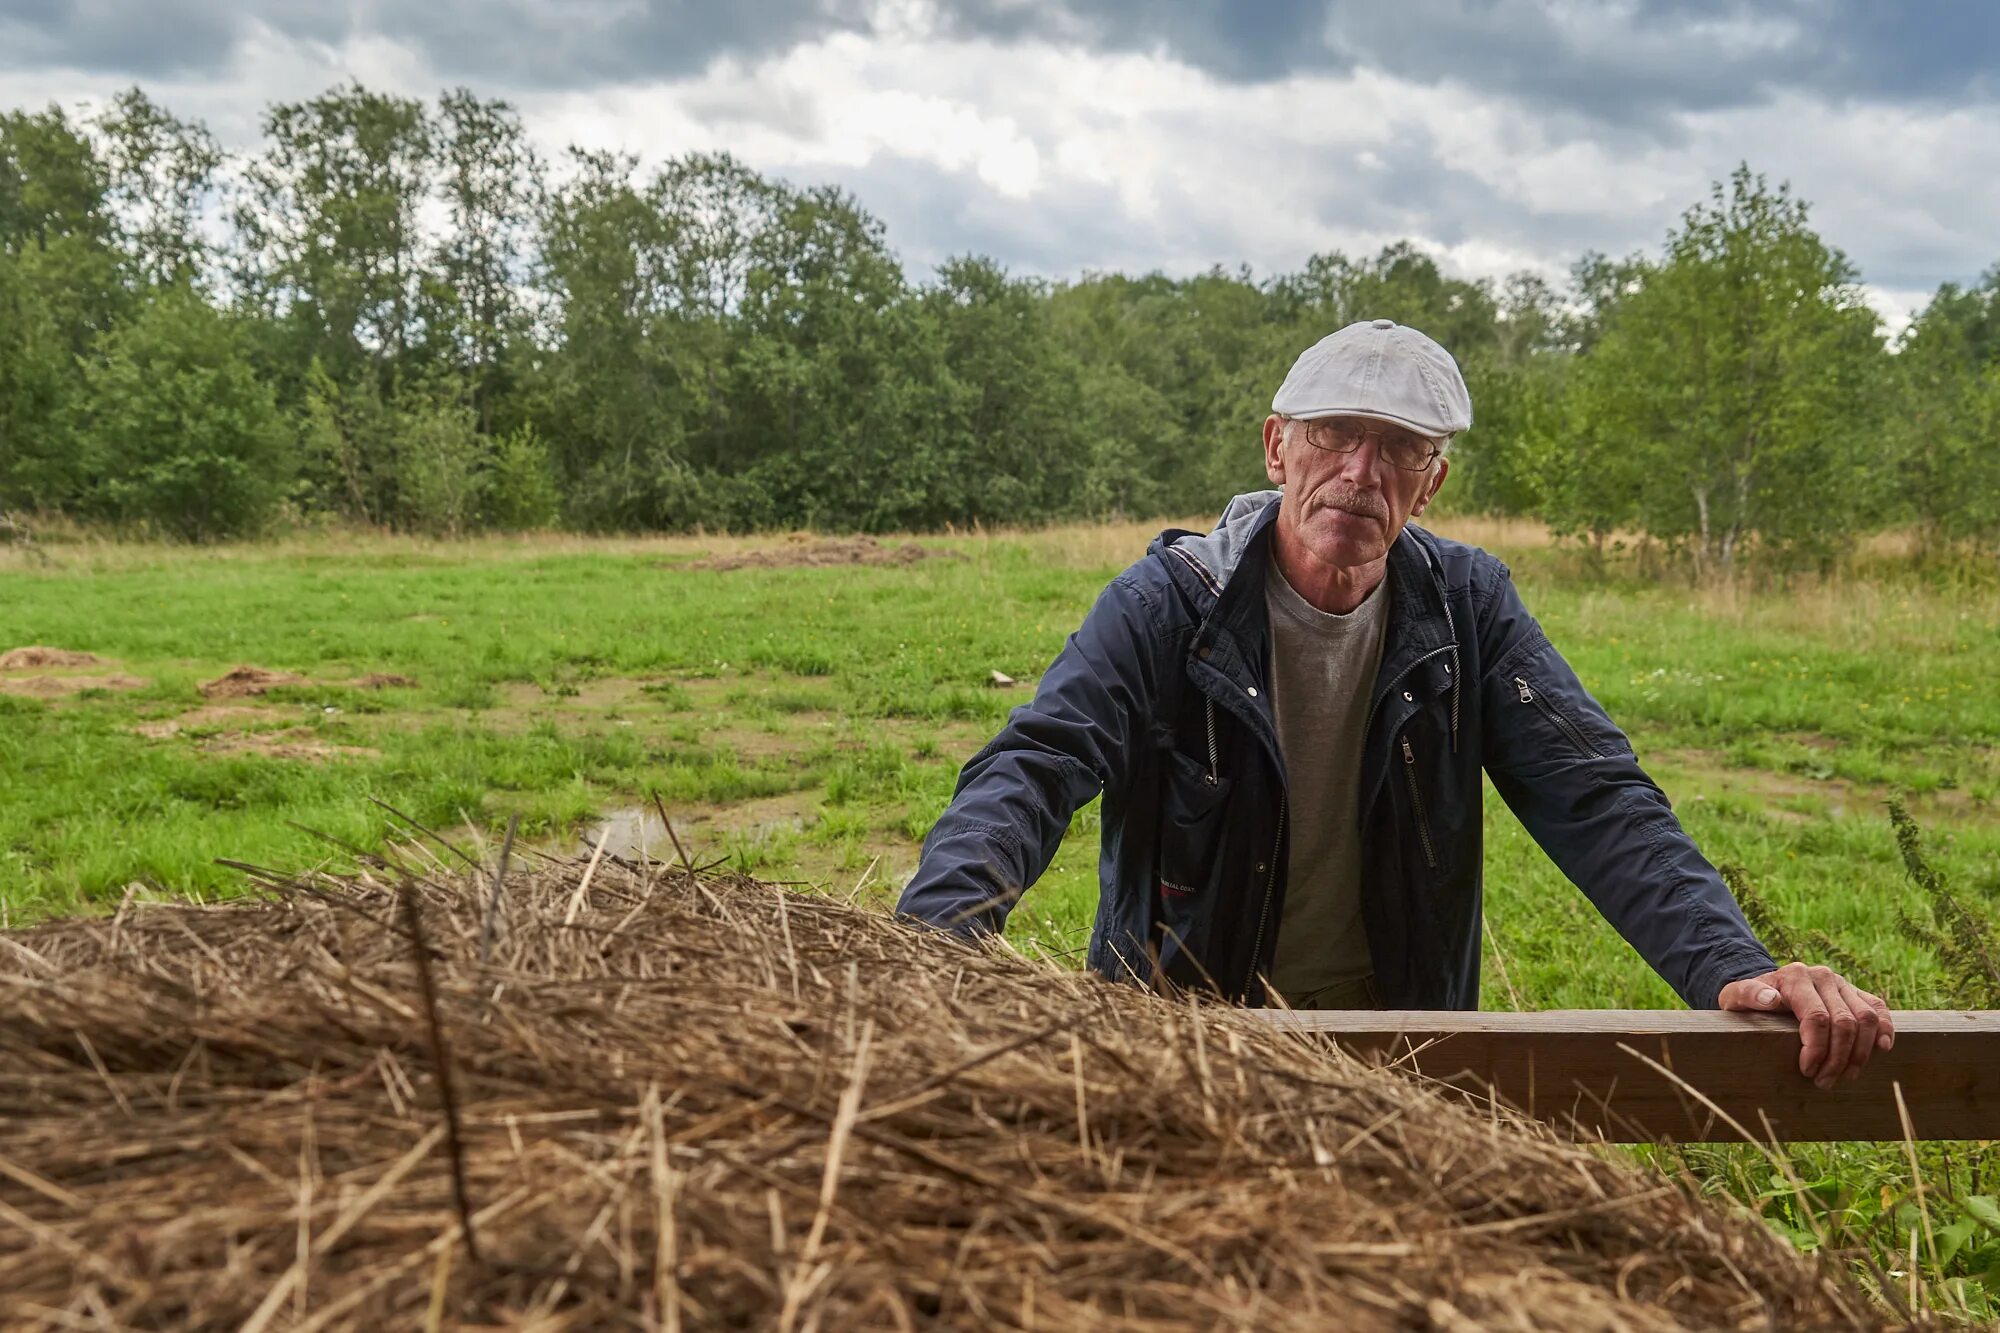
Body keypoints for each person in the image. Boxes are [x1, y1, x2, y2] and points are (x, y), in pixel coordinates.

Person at [897, 318, 1893, 1089]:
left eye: (1398, 448)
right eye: (1333, 435)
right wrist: (927, 957)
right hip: (1183, 1049)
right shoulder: (1172, 605)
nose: (1358, 473)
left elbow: (1595, 799)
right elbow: (1034, 764)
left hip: (1402, 1055)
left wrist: (1729, 964)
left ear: (1431, 480)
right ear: (1275, 446)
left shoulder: (1467, 608)